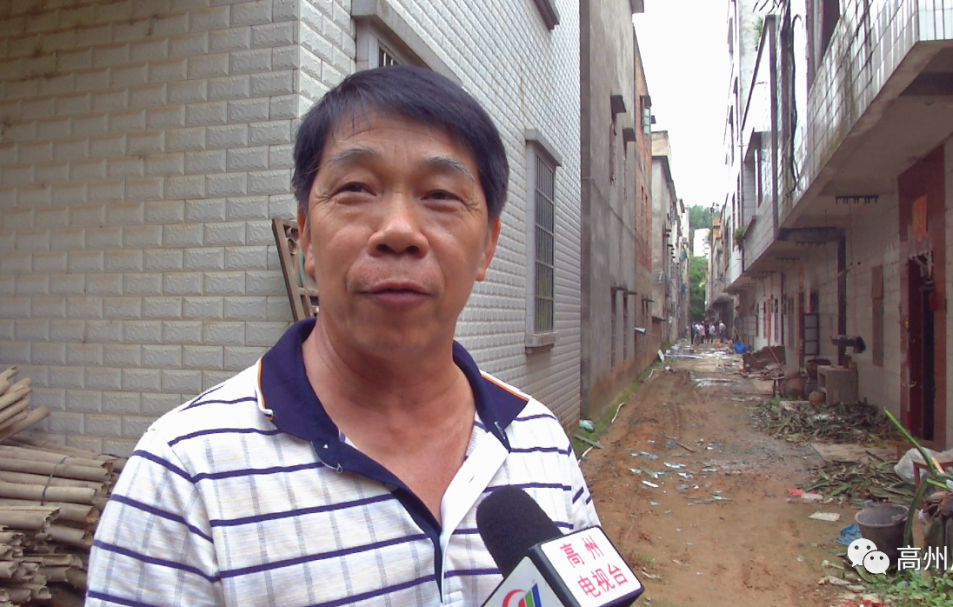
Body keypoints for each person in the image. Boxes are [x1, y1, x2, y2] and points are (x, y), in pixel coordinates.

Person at [86, 66, 599, 607]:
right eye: (356, 189)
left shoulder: (542, 442)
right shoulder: (184, 476)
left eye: (441, 195)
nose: (398, 230)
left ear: (489, 245)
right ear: (306, 233)